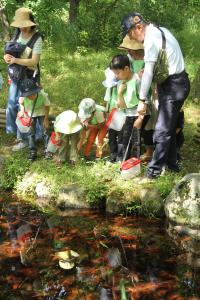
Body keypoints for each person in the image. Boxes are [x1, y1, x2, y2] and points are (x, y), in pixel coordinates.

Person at [122, 12, 190, 178]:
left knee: (161, 130)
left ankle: (153, 173)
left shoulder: (151, 40)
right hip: (176, 82)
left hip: (174, 86)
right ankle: (173, 166)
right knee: (168, 127)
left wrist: (142, 100)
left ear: (138, 27)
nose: (134, 39)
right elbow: (166, 60)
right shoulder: (162, 31)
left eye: (131, 34)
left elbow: (148, 73)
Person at [3, 7, 43, 151]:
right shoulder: (17, 33)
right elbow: (9, 52)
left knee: (28, 107)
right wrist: (7, 58)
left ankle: (29, 138)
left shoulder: (37, 38)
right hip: (15, 76)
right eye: (20, 25)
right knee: (12, 105)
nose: (22, 28)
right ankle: (20, 134)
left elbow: (33, 61)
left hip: (29, 77)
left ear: (31, 23)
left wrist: (15, 60)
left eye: (24, 25)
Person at [118, 35, 156, 162]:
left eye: (131, 49)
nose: (129, 52)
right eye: (128, 49)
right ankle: (139, 155)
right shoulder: (129, 59)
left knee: (150, 126)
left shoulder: (150, 56)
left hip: (151, 95)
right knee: (136, 130)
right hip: (136, 98)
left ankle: (151, 152)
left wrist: (147, 75)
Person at [110, 54, 149, 161]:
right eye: (115, 74)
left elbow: (145, 100)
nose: (117, 76)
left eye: (118, 73)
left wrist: (140, 118)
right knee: (125, 138)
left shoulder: (137, 81)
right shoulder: (120, 83)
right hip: (127, 115)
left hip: (138, 115)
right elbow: (122, 105)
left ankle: (134, 161)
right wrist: (120, 94)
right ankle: (125, 161)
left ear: (126, 68)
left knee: (135, 140)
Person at [17, 79, 50, 161]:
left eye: (32, 94)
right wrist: (22, 111)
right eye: (28, 95)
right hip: (30, 113)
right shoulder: (23, 97)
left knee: (45, 130)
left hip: (41, 112)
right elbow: (21, 103)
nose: (30, 97)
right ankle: (32, 151)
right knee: (31, 132)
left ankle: (47, 150)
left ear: (36, 91)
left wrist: (46, 119)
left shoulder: (42, 95)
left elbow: (47, 106)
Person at [102, 67, 123, 162]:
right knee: (112, 136)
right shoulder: (109, 89)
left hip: (121, 114)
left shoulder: (123, 85)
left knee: (121, 136)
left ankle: (120, 155)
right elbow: (107, 101)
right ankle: (113, 153)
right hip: (111, 114)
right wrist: (106, 114)